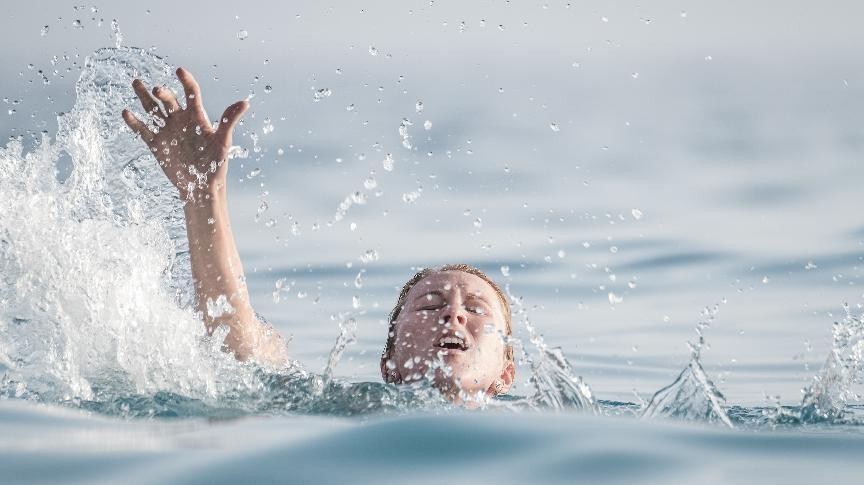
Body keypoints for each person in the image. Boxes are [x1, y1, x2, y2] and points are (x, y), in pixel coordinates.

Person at [122, 68, 515, 403]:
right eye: (429, 306)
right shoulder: (354, 410)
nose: (454, 313)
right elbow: (243, 354)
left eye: (477, 309)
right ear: (389, 364)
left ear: (506, 374)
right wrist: (203, 195)